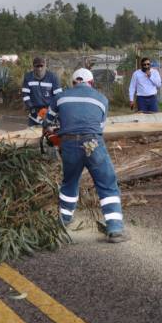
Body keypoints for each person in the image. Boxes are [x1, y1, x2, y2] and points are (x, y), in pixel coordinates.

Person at [44, 68, 126, 243]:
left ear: (73, 83)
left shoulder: (60, 97)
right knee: (107, 183)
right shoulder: (102, 99)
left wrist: (56, 131)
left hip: (69, 144)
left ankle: (64, 219)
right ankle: (115, 228)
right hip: (93, 144)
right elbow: (99, 128)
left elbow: (47, 124)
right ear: (91, 83)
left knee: (70, 181)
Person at [21, 57, 62, 126]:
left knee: (49, 131)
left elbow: (58, 96)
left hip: (49, 110)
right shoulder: (28, 77)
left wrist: (53, 109)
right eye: (37, 66)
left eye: (41, 66)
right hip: (34, 110)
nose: (39, 69)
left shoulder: (53, 77)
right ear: (33, 67)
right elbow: (25, 95)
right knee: (33, 132)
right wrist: (31, 108)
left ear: (45, 66)